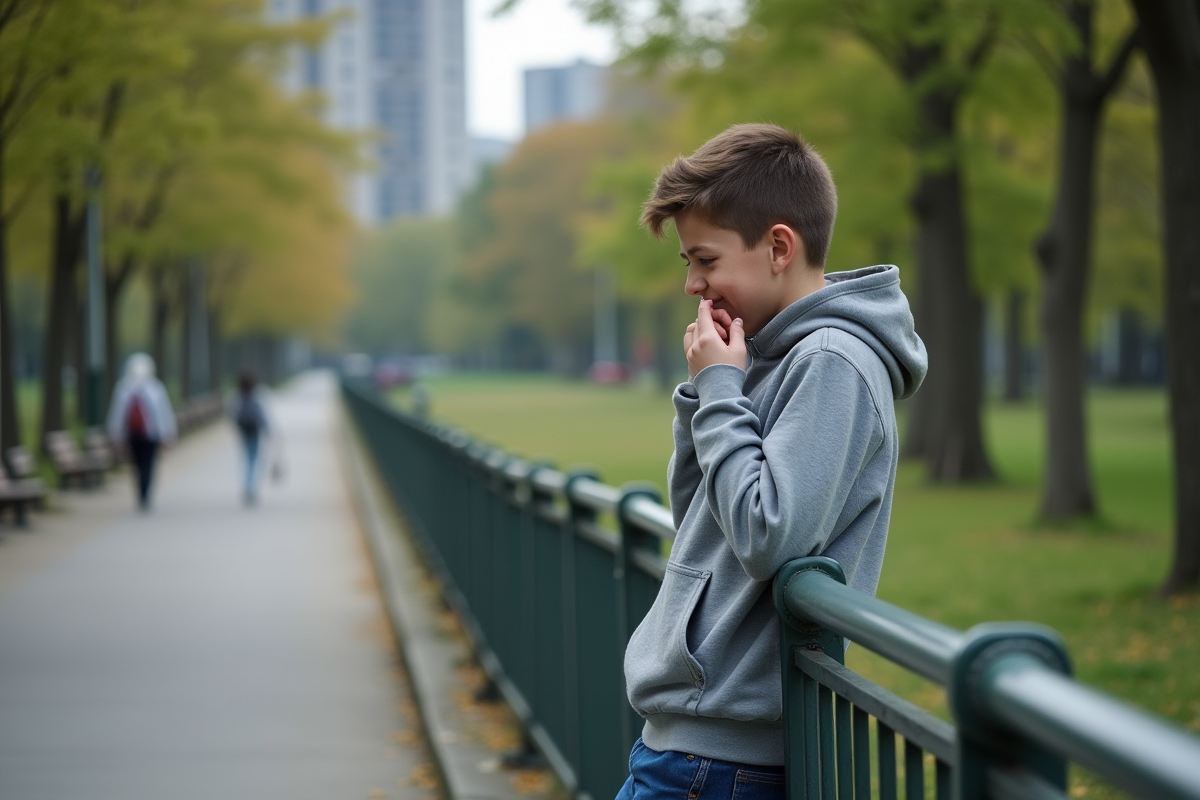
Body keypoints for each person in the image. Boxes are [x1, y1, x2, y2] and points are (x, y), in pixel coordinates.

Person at [617, 123, 928, 798]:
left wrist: (722, 389)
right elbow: (700, 518)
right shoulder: (769, 354)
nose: (693, 285)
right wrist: (705, 392)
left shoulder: (831, 363)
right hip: (694, 747)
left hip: (721, 761)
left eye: (706, 260)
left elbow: (766, 537)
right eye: (687, 265)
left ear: (779, 247)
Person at [107, 352, 177, 511]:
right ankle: (145, 494)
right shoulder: (156, 388)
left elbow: (117, 415)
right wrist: (168, 434)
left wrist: (116, 435)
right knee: (148, 465)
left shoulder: (123, 388)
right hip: (151, 435)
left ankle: (141, 493)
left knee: (137, 465)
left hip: (133, 435)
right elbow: (164, 413)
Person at [230, 369, 270, 506]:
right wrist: (268, 430)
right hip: (255, 429)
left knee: (247, 458)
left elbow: (232, 413)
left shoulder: (237, 395)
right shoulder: (258, 395)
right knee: (254, 459)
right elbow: (263, 415)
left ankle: (247, 485)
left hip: (243, 429)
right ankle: (251, 486)